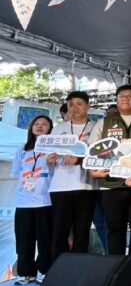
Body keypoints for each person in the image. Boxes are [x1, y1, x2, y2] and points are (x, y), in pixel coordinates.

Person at [88, 84, 131, 263]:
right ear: (116, 99)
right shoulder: (104, 122)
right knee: (115, 229)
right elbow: (92, 150)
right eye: (122, 96)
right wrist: (96, 171)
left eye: (130, 96)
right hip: (111, 185)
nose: (126, 99)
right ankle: (115, 268)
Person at [47, 91, 97, 261]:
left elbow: (101, 154)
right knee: (59, 231)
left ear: (88, 106)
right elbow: (49, 158)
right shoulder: (58, 129)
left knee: (82, 231)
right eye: (71, 105)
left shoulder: (95, 127)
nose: (75, 108)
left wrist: (80, 158)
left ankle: (79, 268)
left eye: (79, 104)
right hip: (60, 187)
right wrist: (50, 160)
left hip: (86, 186)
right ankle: (57, 268)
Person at [11, 115, 54, 285]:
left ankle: (44, 270)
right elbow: (16, 172)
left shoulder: (53, 148)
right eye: (36, 124)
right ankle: (25, 272)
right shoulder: (23, 149)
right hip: (23, 202)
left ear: (50, 129)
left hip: (45, 200)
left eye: (44, 124)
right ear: (31, 128)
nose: (40, 126)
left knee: (45, 239)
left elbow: (57, 173)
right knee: (24, 239)